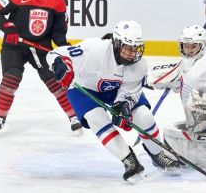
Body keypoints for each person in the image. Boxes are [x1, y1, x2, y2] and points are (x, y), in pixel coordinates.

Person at [47, 21, 181, 182]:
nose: (133, 54)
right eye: (128, 48)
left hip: (115, 89)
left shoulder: (140, 66)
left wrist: (123, 106)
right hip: (84, 88)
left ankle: (157, 152)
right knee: (96, 118)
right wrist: (59, 64)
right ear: (116, 43)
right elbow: (54, 54)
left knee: (143, 116)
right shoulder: (94, 50)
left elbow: (128, 93)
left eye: (136, 48)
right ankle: (129, 160)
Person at [0, 0, 81, 135]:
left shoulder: (58, 2)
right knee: (12, 77)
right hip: (14, 45)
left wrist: (64, 50)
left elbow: (58, 33)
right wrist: (8, 27)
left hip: (41, 47)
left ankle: (73, 116)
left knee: (55, 79)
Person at [147, 25, 206, 170]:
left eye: (193, 47)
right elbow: (173, 73)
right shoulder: (195, 61)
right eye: (186, 46)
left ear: (204, 46)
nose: (188, 51)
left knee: (173, 134)